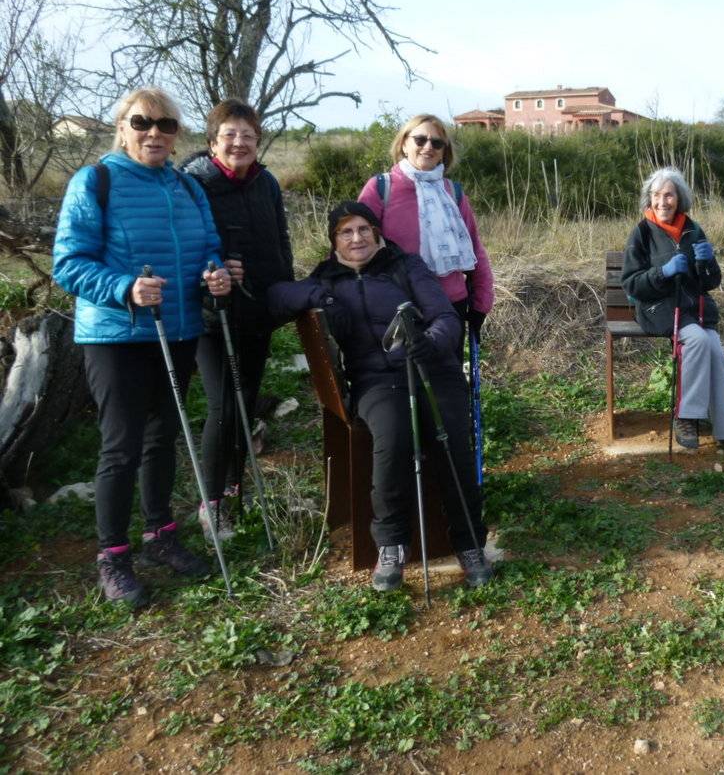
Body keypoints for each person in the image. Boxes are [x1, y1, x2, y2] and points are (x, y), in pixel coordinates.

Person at [52, 86, 232, 607]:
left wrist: (215, 273)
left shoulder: (187, 188)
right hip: (116, 335)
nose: (154, 133)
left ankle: (160, 535)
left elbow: (208, 247)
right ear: (123, 127)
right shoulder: (96, 181)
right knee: (121, 445)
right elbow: (69, 263)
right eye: (142, 123)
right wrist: (123, 287)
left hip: (174, 330)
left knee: (161, 438)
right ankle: (113, 555)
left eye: (166, 125)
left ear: (178, 134)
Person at [267, 202, 492, 590]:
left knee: (452, 440)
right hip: (376, 381)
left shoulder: (406, 266)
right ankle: (391, 547)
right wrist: (319, 295)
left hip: (431, 371)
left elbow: (445, 318)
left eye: (363, 229)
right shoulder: (328, 278)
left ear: (376, 232)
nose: (357, 238)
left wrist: (429, 343)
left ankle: (469, 544)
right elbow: (277, 297)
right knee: (393, 440)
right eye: (346, 232)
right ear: (333, 240)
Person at [181, 100, 293, 541]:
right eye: (230, 134)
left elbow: (280, 237)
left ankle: (234, 487)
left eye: (248, 135)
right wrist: (211, 271)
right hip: (213, 313)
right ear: (212, 142)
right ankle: (211, 505)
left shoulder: (265, 182)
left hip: (257, 309)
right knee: (223, 406)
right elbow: (184, 246)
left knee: (245, 402)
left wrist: (283, 288)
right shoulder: (194, 184)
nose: (239, 143)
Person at [620, 167, 724, 456]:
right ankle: (687, 416)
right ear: (649, 198)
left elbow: (710, 282)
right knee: (698, 340)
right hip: (659, 309)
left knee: (715, 348)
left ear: (679, 198)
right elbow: (631, 284)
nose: (662, 202)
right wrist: (662, 273)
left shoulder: (693, 230)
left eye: (668, 195)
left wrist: (707, 263)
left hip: (694, 309)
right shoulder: (642, 232)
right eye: (656, 195)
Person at [358, 114, 493, 345]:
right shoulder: (381, 188)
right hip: (398, 307)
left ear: (443, 151)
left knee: (447, 380)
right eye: (420, 140)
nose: (428, 147)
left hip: (451, 307)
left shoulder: (453, 192)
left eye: (437, 142)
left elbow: (475, 249)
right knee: (402, 381)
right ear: (404, 144)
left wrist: (481, 304)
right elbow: (353, 246)